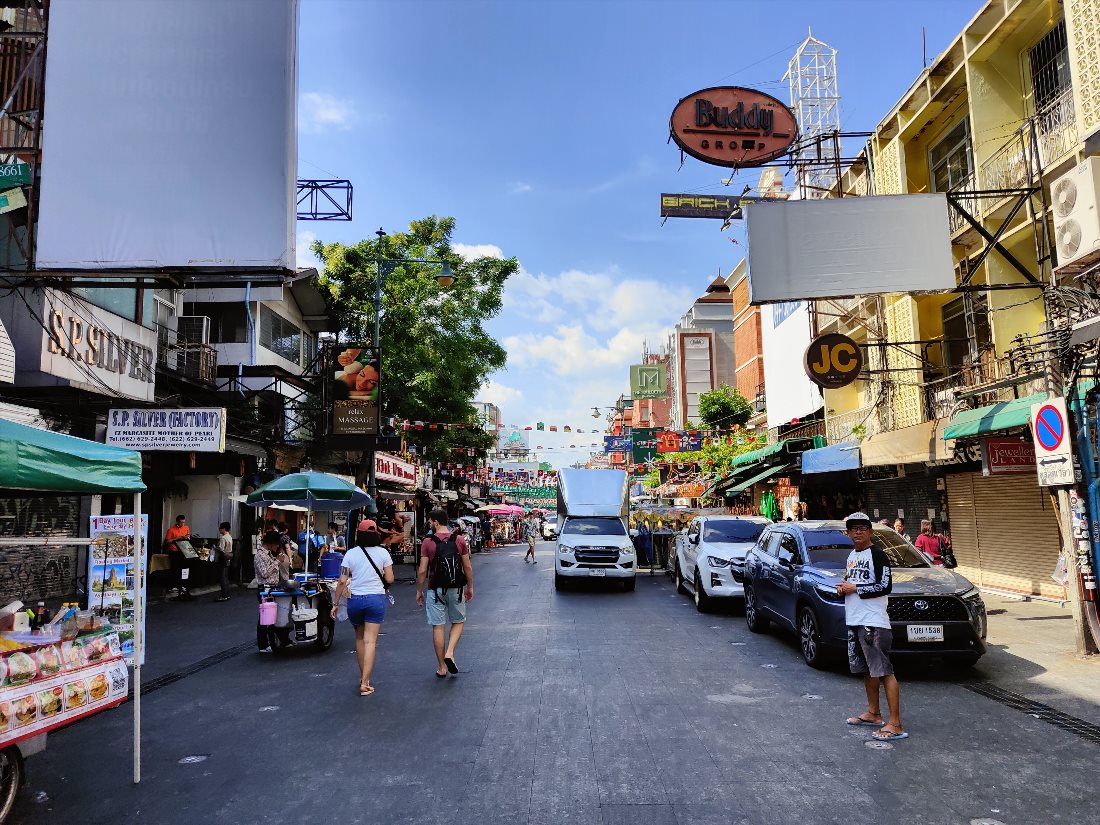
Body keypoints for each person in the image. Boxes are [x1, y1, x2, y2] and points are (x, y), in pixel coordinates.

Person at [837, 512, 906, 742]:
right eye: (853, 528)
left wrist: (854, 588)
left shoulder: (878, 554)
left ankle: (895, 723)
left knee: (884, 671)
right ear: (847, 533)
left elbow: (885, 586)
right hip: (856, 620)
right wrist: (843, 588)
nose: (858, 531)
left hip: (873, 621)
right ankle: (874, 713)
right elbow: (852, 582)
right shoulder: (851, 556)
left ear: (871, 532)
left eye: (862, 528)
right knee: (868, 670)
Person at [330, 519, 394, 696]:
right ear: (376, 534)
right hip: (376, 599)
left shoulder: (350, 554)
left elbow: (342, 581)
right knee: (370, 641)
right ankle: (365, 682)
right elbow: (389, 579)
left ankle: (362, 677)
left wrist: (335, 604)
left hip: (355, 600)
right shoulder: (383, 553)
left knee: (359, 638)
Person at [416, 508, 474, 678]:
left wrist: (419, 591)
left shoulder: (428, 542)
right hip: (456, 588)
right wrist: (470, 587)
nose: (429, 523)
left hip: (436, 589)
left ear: (436, 522)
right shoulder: (459, 540)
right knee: (458, 620)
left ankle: (442, 667)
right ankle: (450, 652)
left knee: (438, 626)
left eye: (430, 521)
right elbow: (467, 567)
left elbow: (422, 571)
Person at [254, 531, 290, 653]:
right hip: (264, 588)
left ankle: (279, 640)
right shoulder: (260, 555)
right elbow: (264, 573)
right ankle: (263, 645)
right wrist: (277, 561)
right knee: (265, 617)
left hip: (272, 588)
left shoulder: (268, 554)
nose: (276, 548)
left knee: (273, 616)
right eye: (276, 545)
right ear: (270, 544)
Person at [164, 514, 191, 598]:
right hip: (174, 551)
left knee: (183, 569)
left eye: (184, 522)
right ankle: (174, 586)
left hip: (184, 550)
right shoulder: (171, 530)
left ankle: (182, 585)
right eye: (181, 522)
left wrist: (187, 537)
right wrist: (176, 539)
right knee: (175, 569)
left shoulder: (186, 528)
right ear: (177, 522)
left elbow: (188, 535)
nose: (183, 524)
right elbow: (167, 542)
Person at [216, 521, 233, 602]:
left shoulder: (223, 538)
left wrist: (215, 548)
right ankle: (227, 594)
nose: (219, 530)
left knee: (222, 578)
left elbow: (221, 549)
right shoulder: (229, 536)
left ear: (224, 529)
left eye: (220, 528)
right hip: (228, 557)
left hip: (223, 558)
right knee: (226, 577)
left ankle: (224, 596)